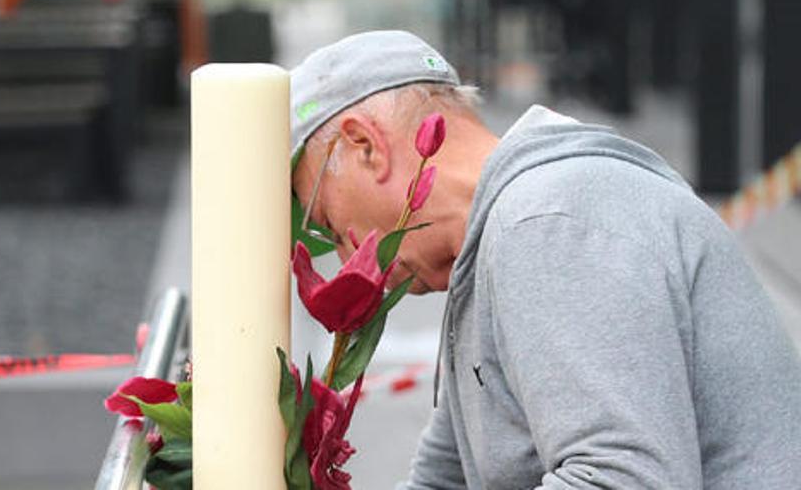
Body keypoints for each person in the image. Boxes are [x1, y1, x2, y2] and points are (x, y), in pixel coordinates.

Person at [289, 30, 801, 489]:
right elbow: (441, 480)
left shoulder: (546, 222)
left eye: (331, 225)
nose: (344, 255)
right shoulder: (501, 237)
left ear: (365, 146)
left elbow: (625, 479)